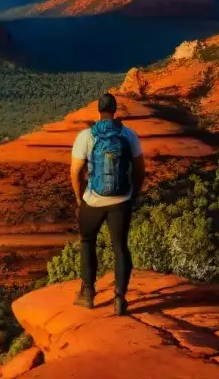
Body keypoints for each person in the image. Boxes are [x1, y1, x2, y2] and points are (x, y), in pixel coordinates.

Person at [70, 92, 145, 315]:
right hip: (121, 199)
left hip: (93, 200)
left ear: (98, 110)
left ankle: (88, 293)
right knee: (120, 247)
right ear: (115, 110)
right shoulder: (128, 134)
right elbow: (140, 169)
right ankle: (120, 299)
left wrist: (79, 197)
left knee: (86, 241)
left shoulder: (86, 136)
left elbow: (75, 172)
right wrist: (135, 193)